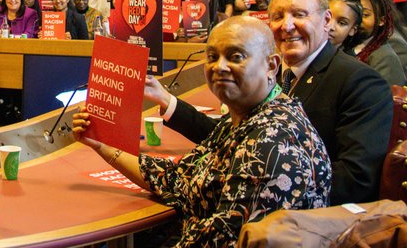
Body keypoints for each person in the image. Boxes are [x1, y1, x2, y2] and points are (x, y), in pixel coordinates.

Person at [75, 16, 330, 247]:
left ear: (271, 66)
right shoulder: (242, 119)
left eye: (236, 56)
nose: (219, 66)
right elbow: (177, 178)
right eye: (212, 56)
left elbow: (219, 241)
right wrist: (102, 145)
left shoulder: (271, 144)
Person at [146, 0, 392, 204]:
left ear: (326, 20)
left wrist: (253, 189)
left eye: (299, 15)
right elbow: (227, 135)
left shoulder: (361, 82)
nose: (286, 25)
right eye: (277, 17)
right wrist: (166, 100)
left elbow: (355, 181)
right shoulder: (275, 74)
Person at [344, 0, 407, 86]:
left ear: (381, 20)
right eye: (355, 12)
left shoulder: (386, 58)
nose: (358, 20)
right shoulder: (345, 45)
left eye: (365, 15)